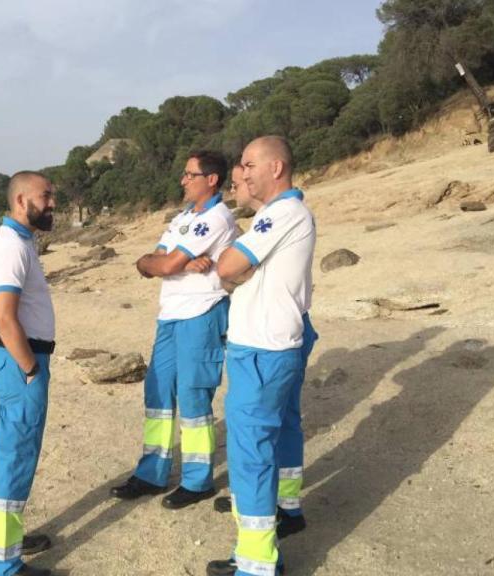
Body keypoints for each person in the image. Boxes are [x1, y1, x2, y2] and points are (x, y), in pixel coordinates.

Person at [206, 136, 316, 576]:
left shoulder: (282, 214)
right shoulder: (278, 215)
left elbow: (229, 267)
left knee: (251, 452)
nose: (244, 172)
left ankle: (256, 564)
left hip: (262, 349)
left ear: (276, 168)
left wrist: (235, 270)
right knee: (282, 429)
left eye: (250, 164)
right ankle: (288, 509)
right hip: (276, 345)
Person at [110, 150, 238, 510]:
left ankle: (197, 481)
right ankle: (152, 473)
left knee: (194, 395)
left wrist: (163, 265)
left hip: (202, 312)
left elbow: (163, 264)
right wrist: (157, 263)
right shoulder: (183, 218)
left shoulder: (215, 218)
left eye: (189, 174)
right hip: (170, 315)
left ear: (211, 180)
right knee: (158, 391)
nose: (182, 180)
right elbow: (152, 261)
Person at [0, 171, 57, 576]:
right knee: (14, 457)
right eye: (45, 196)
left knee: (17, 455)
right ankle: (3, 565)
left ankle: (8, 540)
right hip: (19, 361)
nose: (52, 203)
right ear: (21, 199)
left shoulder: (21, 242)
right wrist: (30, 369)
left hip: (20, 359)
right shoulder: (11, 246)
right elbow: (5, 318)